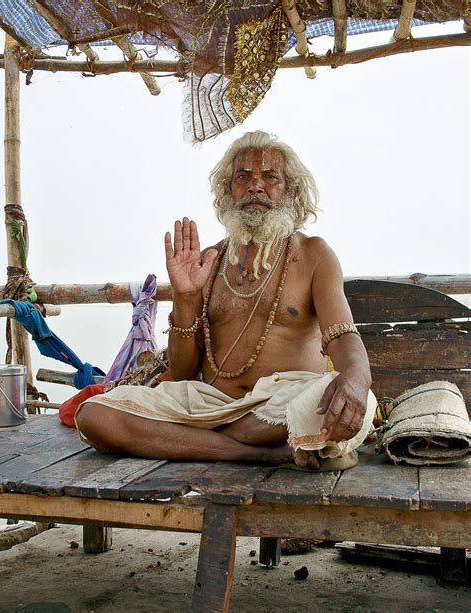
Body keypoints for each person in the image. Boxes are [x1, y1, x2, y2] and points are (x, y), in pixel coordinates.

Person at [75, 131, 376, 469]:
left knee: (323, 405)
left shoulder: (313, 255)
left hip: (283, 404)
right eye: (243, 177)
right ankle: (252, 453)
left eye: (269, 177)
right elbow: (184, 372)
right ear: (228, 191)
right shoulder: (209, 261)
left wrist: (357, 378)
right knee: (95, 415)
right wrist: (185, 298)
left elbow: (342, 335)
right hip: (209, 403)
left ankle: (196, 441)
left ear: (290, 190)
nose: (255, 186)